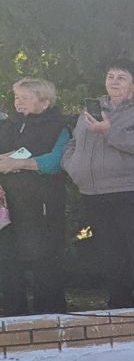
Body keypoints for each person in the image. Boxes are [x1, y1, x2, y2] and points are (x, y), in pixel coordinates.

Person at [62, 58, 134, 307]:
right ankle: (118, 303)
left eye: (121, 78)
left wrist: (110, 131)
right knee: (109, 251)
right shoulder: (93, 107)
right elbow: (74, 142)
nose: (114, 82)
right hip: (94, 192)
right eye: (110, 76)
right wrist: (72, 163)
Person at [0, 77, 73, 315]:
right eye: (17, 97)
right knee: (8, 258)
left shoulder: (59, 125)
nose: (19, 103)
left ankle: (49, 313)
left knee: (45, 257)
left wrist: (19, 163)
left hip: (43, 203)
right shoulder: (8, 124)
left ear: (44, 101)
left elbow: (55, 161)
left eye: (26, 98)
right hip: (10, 203)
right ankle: (13, 312)